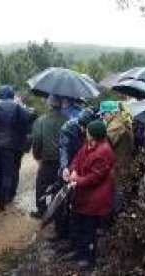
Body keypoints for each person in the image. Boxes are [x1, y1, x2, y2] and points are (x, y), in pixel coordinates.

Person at [65, 119, 115, 270]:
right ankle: (78, 251)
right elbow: (76, 158)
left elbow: (95, 177)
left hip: (95, 199)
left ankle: (89, 260)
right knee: (77, 224)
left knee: (89, 230)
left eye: (87, 131)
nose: (84, 132)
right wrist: (72, 170)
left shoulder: (104, 151)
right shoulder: (87, 145)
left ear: (93, 135)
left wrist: (76, 181)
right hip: (82, 195)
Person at [0, 85, 33, 211]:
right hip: (13, 146)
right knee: (10, 172)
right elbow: (27, 122)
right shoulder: (18, 107)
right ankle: (5, 198)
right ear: (11, 94)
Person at [52, 108, 99, 241]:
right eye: (81, 127)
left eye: (86, 128)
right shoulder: (68, 127)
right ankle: (60, 233)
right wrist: (65, 167)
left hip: (82, 169)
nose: (83, 130)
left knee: (79, 203)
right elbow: (63, 148)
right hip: (68, 167)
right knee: (61, 201)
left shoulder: (94, 128)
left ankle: (74, 237)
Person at [30, 95, 67, 219]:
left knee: (41, 186)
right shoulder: (67, 120)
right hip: (63, 161)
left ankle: (41, 211)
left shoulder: (42, 120)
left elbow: (37, 140)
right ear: (61, 105)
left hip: (47, 159)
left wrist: (37, 156)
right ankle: (56, 213)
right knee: (59, 186)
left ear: (50, 105)